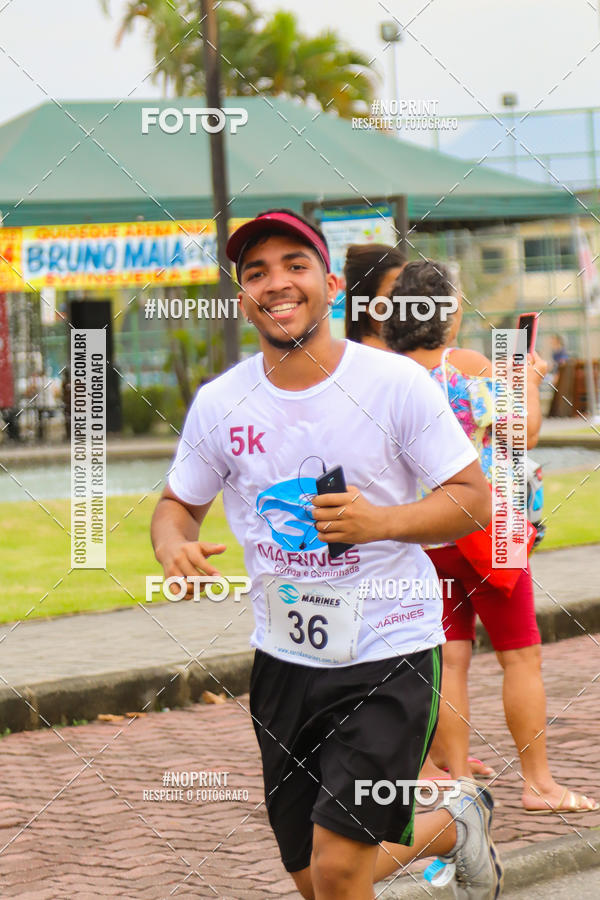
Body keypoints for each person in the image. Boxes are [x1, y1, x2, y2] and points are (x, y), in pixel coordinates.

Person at [151, 210, 503, 900]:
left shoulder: (394, 384)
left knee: (341, 870)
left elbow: (473, 497)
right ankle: (453, 823)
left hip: (389, 651)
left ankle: (446, 822)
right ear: (242, 296)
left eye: (295, 265)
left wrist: (382, 521)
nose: (276, 283)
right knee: (314, 876)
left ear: (332, 283)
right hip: (283, 661)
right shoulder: (221, 402)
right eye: (257, 273)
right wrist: (173, 545)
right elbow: (177, 504)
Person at [381, 259, 598, 815]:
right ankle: (539, 783)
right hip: (488, 530)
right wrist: (525, 379)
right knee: (520, 658)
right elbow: (518, 435)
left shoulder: (384, 375)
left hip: (424, 534)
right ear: (448, 316)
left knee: (448, 660)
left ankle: (455, 782)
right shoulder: (471, 364)